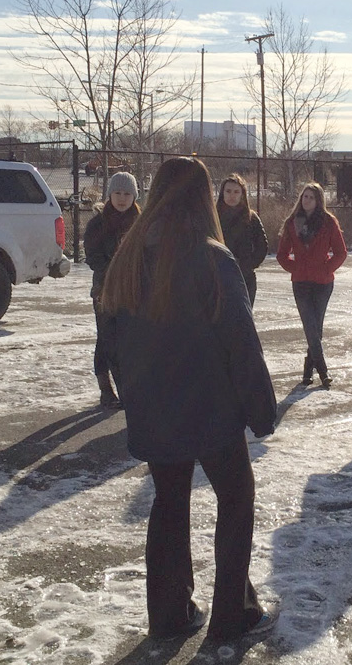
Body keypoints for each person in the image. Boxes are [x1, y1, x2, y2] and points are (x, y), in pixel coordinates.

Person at [100, 157, 279, 641]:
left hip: (156, 410)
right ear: (203, 198)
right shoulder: (212, 257)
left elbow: (111, 340)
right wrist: (263, 411)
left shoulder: (130, 254)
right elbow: (241, 343)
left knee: (170, 504)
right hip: (211, 409)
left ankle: (169, 615)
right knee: (236, 502)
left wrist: (135, 396)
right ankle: (233, 615)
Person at [276, 182, 348, 389]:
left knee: (316, 328)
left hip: (323, 283)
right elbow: (281, 255)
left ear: (319, 201)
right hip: (301, 283)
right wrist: (295, 268)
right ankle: (323, 371)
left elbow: (341, 252)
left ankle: (308, 371)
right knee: (310, 326)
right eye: (304, 196)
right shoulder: (293, 222)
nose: (306, 200)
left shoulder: (328, 222)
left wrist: (327, 268)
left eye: (311, 197)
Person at [83, 171, 140, 409]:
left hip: (134, 290)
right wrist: (115, 272)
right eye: (117, 193)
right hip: (105, 289)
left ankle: (129, 386)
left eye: (127, 193)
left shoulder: (141, 223)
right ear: (109, 194)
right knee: (108, 338)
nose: (122, 198)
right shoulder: (98, 223)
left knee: (127, 340)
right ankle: (108, 387)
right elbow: (93, 257)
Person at [216, 174, 268, 306]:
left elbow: (262, 246)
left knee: (243, 320)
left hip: (244, 278)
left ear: (242, 194)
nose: (232, 195)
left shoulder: (251, 218)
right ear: (222, 193)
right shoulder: (213, 217)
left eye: (236, 192)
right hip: (218, 278)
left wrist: (248, 265)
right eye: (228, 191)